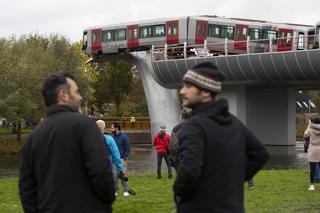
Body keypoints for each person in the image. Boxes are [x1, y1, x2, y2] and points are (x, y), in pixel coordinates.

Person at [173, 62, 269, 213]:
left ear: (205, 92)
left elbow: (189, 170)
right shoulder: (235, 124)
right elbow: (260, 154)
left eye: (188, 86)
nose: (182, 91)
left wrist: (178, 192)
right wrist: (233, 181)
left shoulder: (193, 126)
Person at [19, 73, 115, 213]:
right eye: (76, 92)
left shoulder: (33, 137)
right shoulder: (85, 125)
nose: (80, 97)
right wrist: (107, 199)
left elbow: (26, 187)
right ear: (63, 94)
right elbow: (100, 169)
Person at [96, 120, 125, 195]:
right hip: (107, 166)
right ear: (104, 127)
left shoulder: (89, 138)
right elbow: (116, 155)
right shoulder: (109, 139)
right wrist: (121, 169)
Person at [111, 122, 131, 196]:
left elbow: (127, 148)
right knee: (114, 175)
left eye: (112, 128)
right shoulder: (111, 137)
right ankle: (115, 191)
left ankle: (126, 190)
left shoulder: (124, 137)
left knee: (123, 175)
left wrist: (124, 159)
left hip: (123, 159)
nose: (111, 129)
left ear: (116, 128)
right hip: (114, 160)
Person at [303, 116, 320, 191]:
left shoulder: (310, 129)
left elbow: (305, 135)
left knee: (312, 169)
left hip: (313, 149)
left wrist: (308, 126)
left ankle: (312, 185)